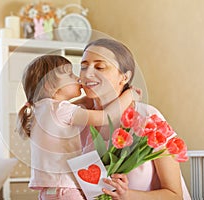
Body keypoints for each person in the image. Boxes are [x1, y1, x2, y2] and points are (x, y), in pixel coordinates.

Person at [78, 38, 191, 200]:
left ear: (124, 77)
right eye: (83, 66)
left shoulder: (147, 119)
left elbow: (174, 195)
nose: (88, 73)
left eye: (99, 67)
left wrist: (127, 195)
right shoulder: (79, 122)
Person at [16, 55, 139, 200]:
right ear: (49, 85)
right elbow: (106, 117)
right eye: (69, 74)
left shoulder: (40, 110)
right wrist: (130, 95)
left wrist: (95, 93)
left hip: (48, 192)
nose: (78, 78)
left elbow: (80, 106)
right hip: (66, 190)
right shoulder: (61, 109)